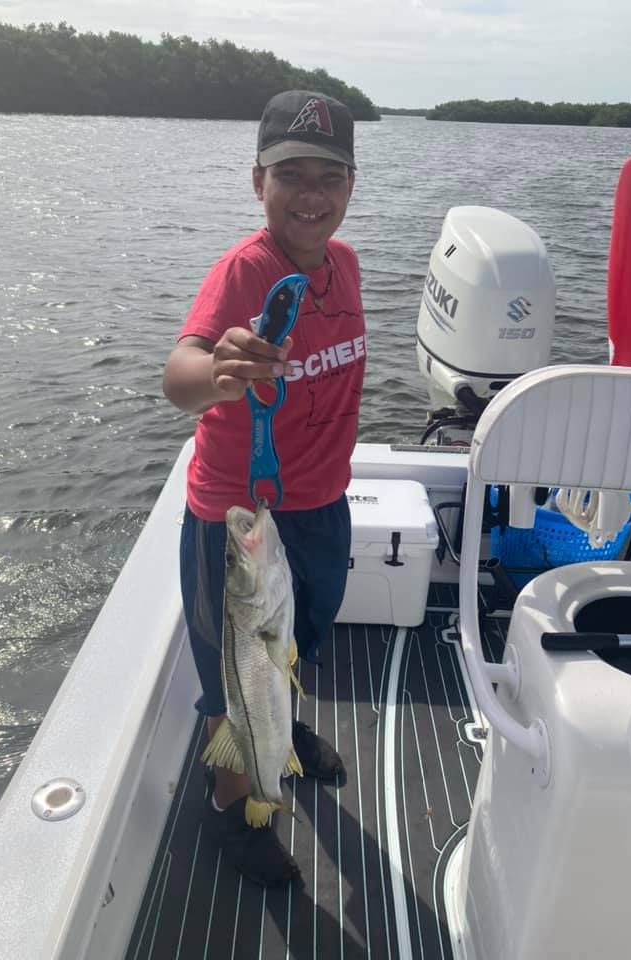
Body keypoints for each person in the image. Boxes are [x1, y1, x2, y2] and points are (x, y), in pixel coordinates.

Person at [163, 90, 366, 888]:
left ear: (351, 186)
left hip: (319, 508)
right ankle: (235, 805)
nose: (312, 194)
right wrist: (218, 371)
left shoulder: (344, 264)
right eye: (291, 174)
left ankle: (283, 732)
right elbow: (178, 375)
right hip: (239, 524)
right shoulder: (245, 270)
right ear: (258, 182)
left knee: (298, 640)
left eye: (330, 175)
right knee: (234, 675)